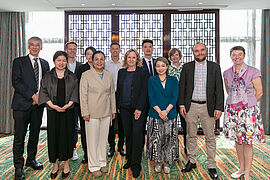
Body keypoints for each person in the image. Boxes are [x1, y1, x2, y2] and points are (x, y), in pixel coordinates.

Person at [179, 42, 224, 180]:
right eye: (196, 51)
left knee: (210, 137)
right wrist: (181, 104)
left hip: (208, 107)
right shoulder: (187, 67)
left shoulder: (214, 67)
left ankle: (211, 165)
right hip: (191, 106)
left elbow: (219, 89)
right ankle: (191, 161)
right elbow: (182, 87)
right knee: (190, 135)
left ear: (206, 51)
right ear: (193, 53)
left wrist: (219, 107)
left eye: (202, 50)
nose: (199, 53)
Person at [223, 46, 265, 180]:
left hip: (248, 112)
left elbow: (259, 92)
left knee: (248, 142)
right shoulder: (227, 73)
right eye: (234, 55)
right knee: (238, 140)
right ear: (230, 57)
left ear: (244, 55)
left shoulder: (253, 71)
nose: (237, 57)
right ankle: (241, 168)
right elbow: (228, 90)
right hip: (232, 111)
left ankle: (247, 172)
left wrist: (247, 105)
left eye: (240, 54)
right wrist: (237, 104)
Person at [11, 36, 50, 180]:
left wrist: (41, 97)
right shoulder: (19, 62)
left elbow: (46, 84)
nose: (35, 47)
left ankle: (31, 159)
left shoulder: (45, 64)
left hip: (38, 106)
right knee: (19, 136)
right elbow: (16, 82)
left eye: (37, 45)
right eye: (32, 45)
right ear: (28, 46)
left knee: (34, 134)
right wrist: (32, 96)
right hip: (22, 105)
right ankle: (18, 167)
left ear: (41, 47)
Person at [39, 51, 78, 179]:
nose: (61, 63)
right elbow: (43, 91)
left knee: (66, 137)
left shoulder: (72, 76)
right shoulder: (47, 76)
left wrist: (68, 105)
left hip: (68, 111)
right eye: (58, 60)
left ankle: (66, 164)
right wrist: (52, 106)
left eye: (64, 60)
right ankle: (55, 165)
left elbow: (75, 92)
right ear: (54, 61)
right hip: (52, 111)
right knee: (54, 137)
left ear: (67, 62)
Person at [80, 51, 116, 178]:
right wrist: (85, 112)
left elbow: (112, 93)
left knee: (102, 139)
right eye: (96, 59)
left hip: (106, 111)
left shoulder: (108, 75)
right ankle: (93, 165)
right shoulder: (86, 75)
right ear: (92, 60)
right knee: (92, 140)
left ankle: (102, 162)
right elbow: (83, 95)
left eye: (101, 59)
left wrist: (113, 110)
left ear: (104, 60)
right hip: (92, 112)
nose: (99, 62)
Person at [117, 49, 148, 178]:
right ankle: (129, 160)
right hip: (124, 109)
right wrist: (118, 105)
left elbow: (144, 92)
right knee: (128, 135)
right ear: (125, 59)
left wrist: (139, 108)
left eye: (133, 57)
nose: (131, 59)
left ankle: (136, 165)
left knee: (136, 136)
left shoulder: (142, 72)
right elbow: (118, 89)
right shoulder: (121, 72)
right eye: (129, 57)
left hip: (138, 110)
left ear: (137, 59)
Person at [146, 57, 179, 174]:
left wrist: (166, 111)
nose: (160, 68)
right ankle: (158, 162)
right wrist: (160, 112)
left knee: (169, 139)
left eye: (163, 66)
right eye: (158, 66)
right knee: (156, 140)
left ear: (167, 67)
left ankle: (166, 162)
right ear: (155, 67)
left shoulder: (174, 80)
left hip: (170, 114)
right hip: (155, 114)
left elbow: (175, 97)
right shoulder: (151, 80)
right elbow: (151, 97)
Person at [105, 42, 126, 157]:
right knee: (110, 124)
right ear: (110, 50)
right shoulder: (106, 65)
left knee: (122, 123)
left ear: (120, 50)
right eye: (112, 49)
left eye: (117, 49)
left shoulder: (124, 64)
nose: (115, 51)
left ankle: (121, 146)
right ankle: (111, 147)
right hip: (109, 95)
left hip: (122, 95)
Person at [76, 46, 96, 164]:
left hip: (97, 105)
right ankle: (86, 153)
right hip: (84, 104)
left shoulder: (100, 67)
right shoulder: (81, 68)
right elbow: (79, 88)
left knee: (96, 130)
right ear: (85, 56)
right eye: (88, 54)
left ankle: (96, 153)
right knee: (85, 130)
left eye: (92, 54)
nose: (90, 56)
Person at [167, 48, 187, 155]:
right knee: (171, 126)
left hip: (184, 100)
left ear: (180, 55)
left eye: (176, 55)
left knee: (186, 126)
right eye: (172, 56)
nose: (175, 57)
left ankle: (187, 149)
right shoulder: (168, 69)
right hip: (171, 101)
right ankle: (173, 150)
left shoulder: (185, 68)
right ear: (170, 58)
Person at [65, 41, 82, 161]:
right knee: (65, 125)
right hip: (64, 101)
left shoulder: (80, 66)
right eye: (70, 49)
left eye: (74, 49)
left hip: (77, 101)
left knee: (75, 125)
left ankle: (73, 148)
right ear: (66, 50)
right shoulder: (61, 64)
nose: (72, 51)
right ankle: (64, 148)